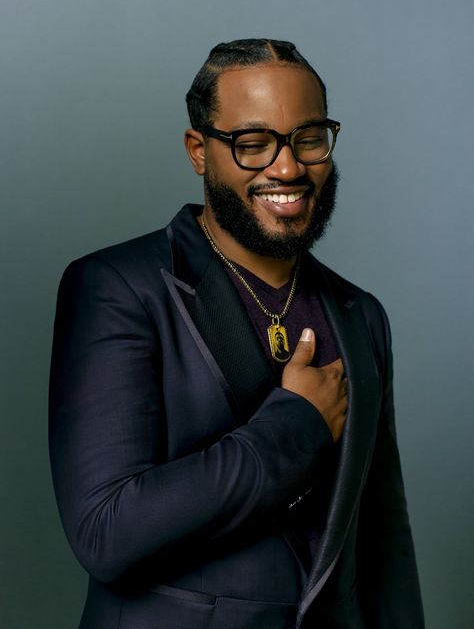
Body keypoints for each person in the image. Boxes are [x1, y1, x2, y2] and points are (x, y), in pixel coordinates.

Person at [49, 38, 424, 629]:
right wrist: (294, 428)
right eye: (253, 145)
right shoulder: (116, 287)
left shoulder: (361, 314)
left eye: (309, 138)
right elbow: (107, 532)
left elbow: (382, 538)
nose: (288, 167)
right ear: (199, 151)